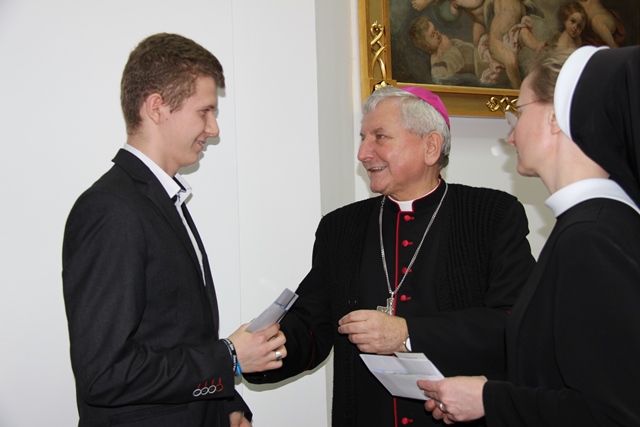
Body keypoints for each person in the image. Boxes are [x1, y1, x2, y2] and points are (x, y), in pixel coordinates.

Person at [245, 85, 535, 426]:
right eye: (363, 138)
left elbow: (515, 323)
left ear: (430, 146)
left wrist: (408, 332)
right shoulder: (340, 227)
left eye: (379, 137)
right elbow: (312, 324)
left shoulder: (491, 216)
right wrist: (267, 348)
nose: (363, 153)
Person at [62, 33, 287, 427]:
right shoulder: (111, 209)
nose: (213, 128)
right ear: (157, 108)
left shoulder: (161, 200)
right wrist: (229, 357)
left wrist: (226, 405)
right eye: (204, 111)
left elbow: (177, 337)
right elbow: (104, 374)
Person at [419, 45, 640, 426]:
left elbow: (614, 414)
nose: (511, 136)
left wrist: (490, 399)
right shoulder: (593, 224)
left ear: (555, 118)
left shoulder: (591, 238)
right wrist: (489, 391)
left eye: (517, 112)